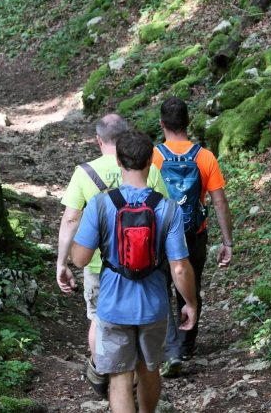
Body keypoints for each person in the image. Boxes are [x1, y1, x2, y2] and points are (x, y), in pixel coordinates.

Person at [69, 130, 197, 413]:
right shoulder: (168, 208)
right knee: (150, 370)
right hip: (154, 306)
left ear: (118, 161)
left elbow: (79, 260)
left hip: (113, 306)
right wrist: (190, 303)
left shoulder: (100, 205)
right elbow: (179, 267)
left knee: (119, 377)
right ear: (152, 160)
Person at [55, 113, 168, 395]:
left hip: (98, 264)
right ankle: (133, 379)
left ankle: (105, 373)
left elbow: (70, 219)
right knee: (140, 319)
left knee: (98, 318)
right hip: (144, 262)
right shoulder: (147, 167)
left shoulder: (84, 172)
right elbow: (164, 210)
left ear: (98, 140)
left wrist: (62, 262)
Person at [153, 97, 235, 377]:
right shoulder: (205, 157)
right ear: (188, 122)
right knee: (190, 285)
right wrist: (227, 241)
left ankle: (171, 349)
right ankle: (187, 344)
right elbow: (219, 202)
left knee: (160, 288)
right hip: (194, 234)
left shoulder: (153, 157)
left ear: (162, 124)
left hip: (161, 235)